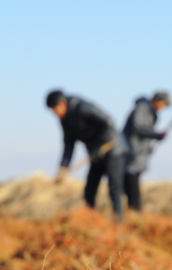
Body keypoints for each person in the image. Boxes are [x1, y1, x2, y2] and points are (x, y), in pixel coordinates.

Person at [46, 89, 126, 221]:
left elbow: (109, 122)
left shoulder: (83, 107)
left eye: (55, 109)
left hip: (112, 149)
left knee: (114, 187)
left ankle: (118, 221)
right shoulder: (65, 121)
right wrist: (63, 167)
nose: (55, 113)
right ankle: (92, 218)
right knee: (89, 189)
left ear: (62, 103)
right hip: (95, 154)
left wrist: (102, 145)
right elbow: (69, 144)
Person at [122, 91, 170, 211]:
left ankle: (133, 210)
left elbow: (145, 133)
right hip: (131, 153)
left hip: (139, 153)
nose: (163, 108)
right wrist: (155, 135)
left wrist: (149, 147)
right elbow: (138, 127)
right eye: (164, 105)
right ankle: (133, 210)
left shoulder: (151, 113)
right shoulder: (142, 108)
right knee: (130, 184)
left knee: (132, 183)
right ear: (158, 100)